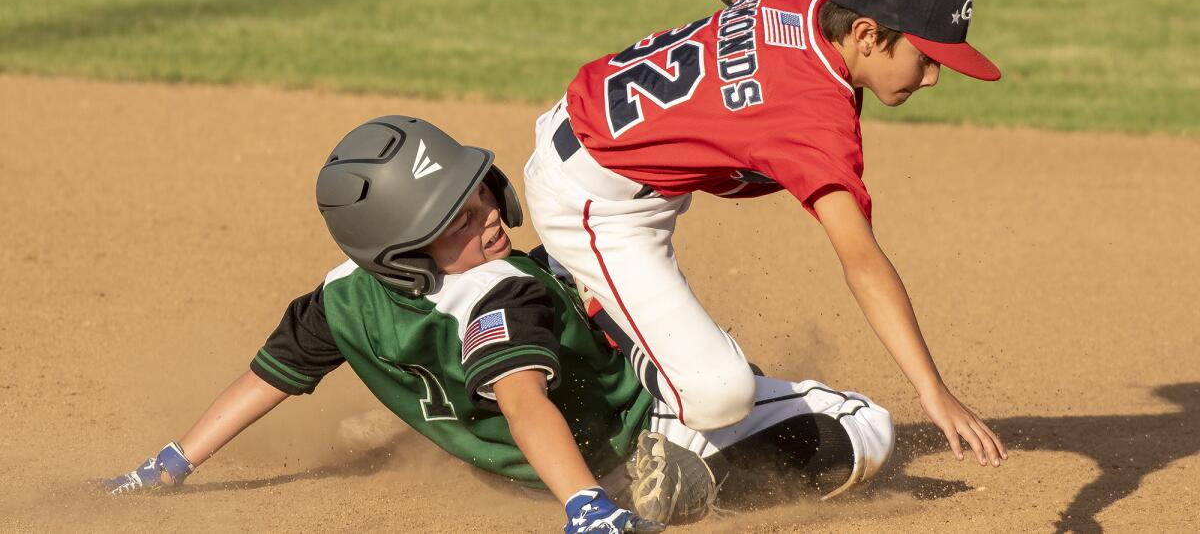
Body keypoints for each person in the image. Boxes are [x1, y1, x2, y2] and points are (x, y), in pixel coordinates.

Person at [101, 116, 895, 533]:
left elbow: (264, 379)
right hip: (625, 437)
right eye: (453, 220)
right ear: (402, 254)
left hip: (538, 453)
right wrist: (586, 508)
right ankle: (698, 472)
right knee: (865, 431)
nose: (483, 217)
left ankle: (678, 472)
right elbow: (520, 400)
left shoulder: (341, 296)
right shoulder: (501, 295)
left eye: (478, 193)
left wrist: (169, 463)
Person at [522, 0, 1009, 469]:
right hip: (594, 208)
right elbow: (863, 262)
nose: (934, 76)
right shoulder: (812, 119)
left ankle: (601, 297)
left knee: (752, 165)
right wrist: (931, 389)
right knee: (718, 397)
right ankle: (578, 293)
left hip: (591, 130)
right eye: (925, 57)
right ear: (867, 35)